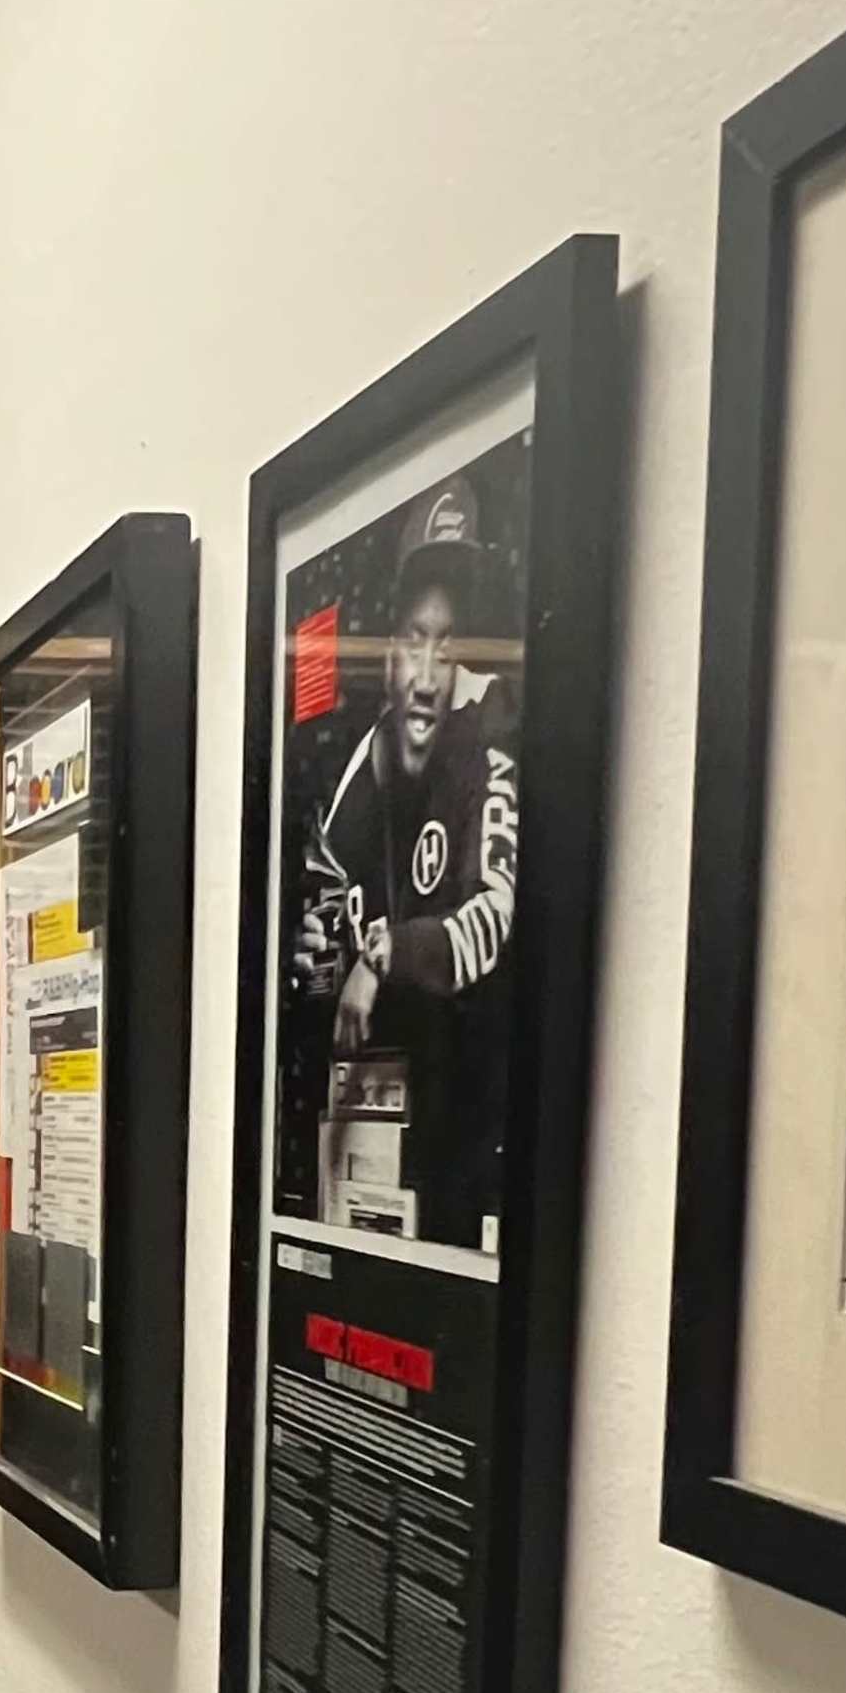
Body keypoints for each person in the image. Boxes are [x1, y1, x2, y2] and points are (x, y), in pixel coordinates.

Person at [291, 485, 517, 1248]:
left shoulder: (490, 730)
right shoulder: (355, 784)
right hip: (370, 1152)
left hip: (472, 1134)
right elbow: (317, 947)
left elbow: (494, 917)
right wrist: (316, 962)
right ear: (388, 652)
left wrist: (383, 956)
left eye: (446, 647)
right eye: (416, 642)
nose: (427, 676)